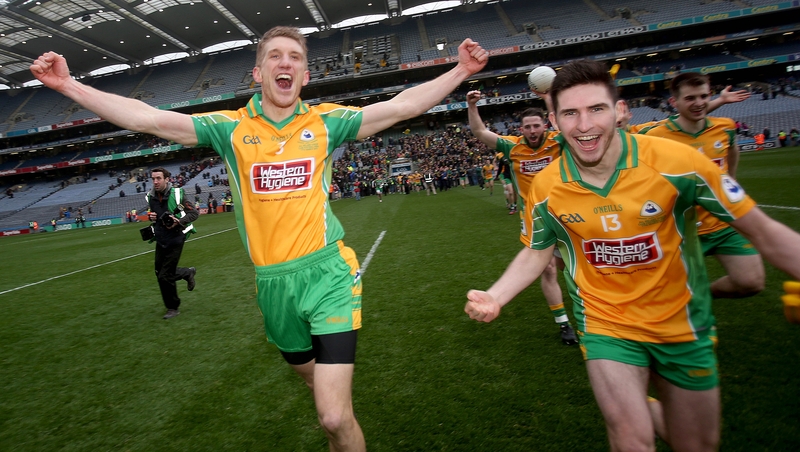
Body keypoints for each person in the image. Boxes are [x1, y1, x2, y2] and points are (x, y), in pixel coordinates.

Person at [31, 27, 488, 451]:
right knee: (322, 397)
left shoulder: (328, 123)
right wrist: (70, 87)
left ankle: (339, 420)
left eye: (294, 56)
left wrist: (461, 70)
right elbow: (149, 118)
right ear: (259, 72)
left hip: (328, 272)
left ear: (305, 75)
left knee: (330, 415)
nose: (284, 62)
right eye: (274, 56)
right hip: (272, 286)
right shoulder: (231, 128)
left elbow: (402, 107)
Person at [464, 59, 800, 452]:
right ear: (555, 118)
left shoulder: (679, 163)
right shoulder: (547, 186)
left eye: (596, 109)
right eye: (571, 113)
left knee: (695, 444)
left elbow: (763, 230)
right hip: (607, 323)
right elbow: (537, 252)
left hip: (681, 321)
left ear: (619, 109)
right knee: (629, 439)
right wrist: (496, 295)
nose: (584, 125)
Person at [467, 93, 577, 345]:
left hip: (568, 211)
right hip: (535, 217)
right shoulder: (512, 145)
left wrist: (550, 99)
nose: (532, 130)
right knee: (547, 269)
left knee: (570, 266)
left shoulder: (558, 141)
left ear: (545, 125)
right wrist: (472, 105)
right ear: (521, 129)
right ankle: (563, 324)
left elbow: (568, 121)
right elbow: (479, 131)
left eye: (536, 125)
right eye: (527, 126)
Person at [642, 72, 764, 299]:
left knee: (751, 281)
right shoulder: (654, 135)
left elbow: (732, 150)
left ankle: (703, 294)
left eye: (704, 96)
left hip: (722, 223)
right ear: (674, 102)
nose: (698, 103)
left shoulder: (725, 127)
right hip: (679, 230)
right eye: (690, 98)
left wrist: (732, 179)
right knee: (664, 296)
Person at [144, 167, 198, 319]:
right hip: (160, 239)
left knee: (164, 275)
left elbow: (194, 213)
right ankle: (187, 273)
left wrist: (179, 222)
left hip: (176, 238)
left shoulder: (177, 193)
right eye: (153, 178)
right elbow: (156, 216)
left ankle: (172, 308)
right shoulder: (150, 197)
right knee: (159, 274)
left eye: (158, 178)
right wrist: (151, 217)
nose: (155, 181)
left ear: (167, 179)